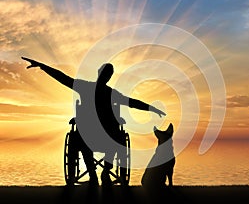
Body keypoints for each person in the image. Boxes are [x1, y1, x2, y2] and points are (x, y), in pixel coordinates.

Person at [21, 57, 166, 186]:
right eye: (105, 74)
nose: (105, 77)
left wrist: (150, 108)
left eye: (107, 75)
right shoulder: (90, 89)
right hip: (94, 136)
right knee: (101, 137)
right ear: (100, 74)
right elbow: (63, 78)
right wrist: (42, 66)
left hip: (99, 136)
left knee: (108, 136)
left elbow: (131, 102)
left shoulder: (100, 91)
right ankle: (95, 172)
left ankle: (100, 172)